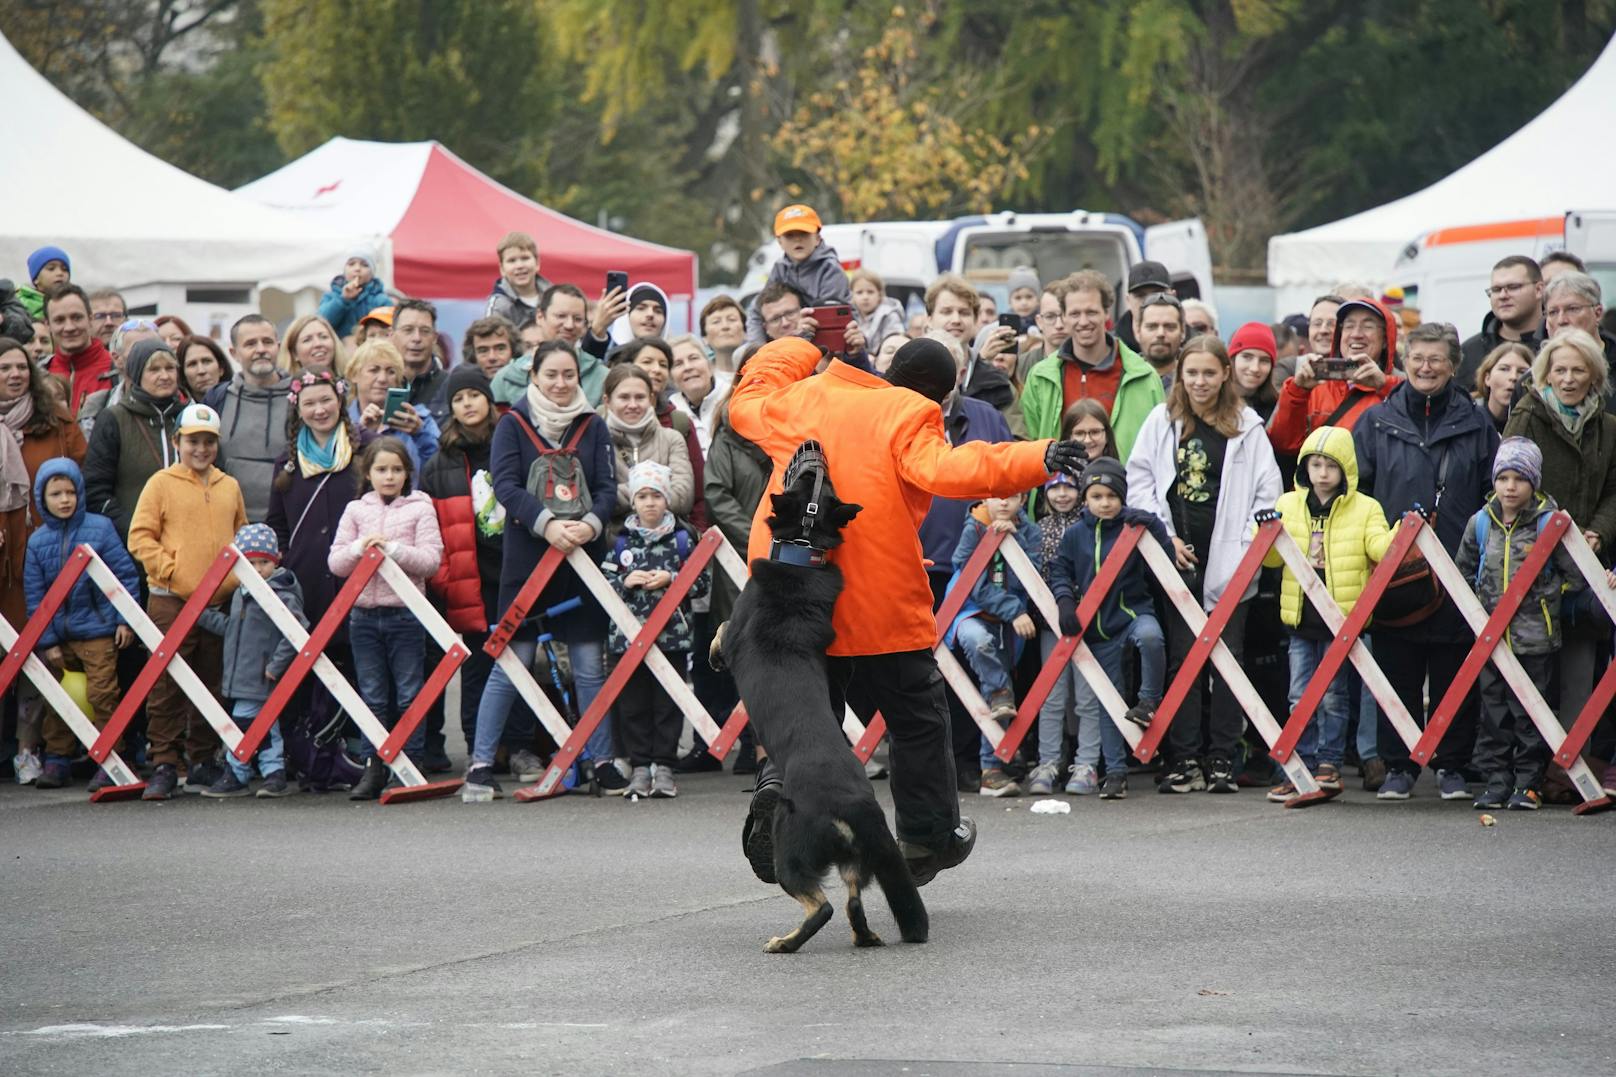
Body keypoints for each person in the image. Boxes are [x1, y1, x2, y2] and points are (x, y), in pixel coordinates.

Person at [729, 334, 1083, 885]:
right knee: (917, 721)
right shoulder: (911, 413)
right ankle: (926, 838)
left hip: (791, 591)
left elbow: (746, 400)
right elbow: (947, 472)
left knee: (805, 715)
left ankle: (779, 792)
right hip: (877, 600)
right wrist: (1035, 456)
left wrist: (801, 345)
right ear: (939, 395)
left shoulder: (803, 396)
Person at [1126, 335, 1283, 795]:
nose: (1199, 381)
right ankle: (1184, 756)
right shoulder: (1162, 420)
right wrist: (1164, 536)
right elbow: (1141, 481)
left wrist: (1245, 551)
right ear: (1180, 374)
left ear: (1225, 374)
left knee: (1228, 660)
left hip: (1230, 561)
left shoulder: (1247, 427)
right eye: (1191, 372)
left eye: (1209, 373)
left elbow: (1266, 496)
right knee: (1183, 661)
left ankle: (1222, 756)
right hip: (1178, 557)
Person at [1354, 322, 1500, 802]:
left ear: (1454, 366)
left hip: (1460, 568)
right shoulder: (1375, 422)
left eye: (1436, 358)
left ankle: (1452, 765)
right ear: (1403, 360)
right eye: (1417, 357)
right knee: (1396, 666)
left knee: (1454, 670)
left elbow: (1492, 494)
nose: (1426, 366)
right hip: (1396, 571)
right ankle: (1399, 765)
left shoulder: (1478, 424)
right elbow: (1360, 496)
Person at [466, 340, 617, 797]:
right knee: (513, 662)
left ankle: (603, 760)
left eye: (568, 374)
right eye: (550, 374)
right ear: (533, 376)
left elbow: (608, 488)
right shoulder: (511, 425)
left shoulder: (593, 426)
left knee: (591, 665)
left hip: (583, 560)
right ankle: (479, 763)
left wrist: (588, 527)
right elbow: (507, 486)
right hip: (528, 563)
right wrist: (548, 525)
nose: (560, 383)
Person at [1259, 426, 1393, 801]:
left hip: (1342, 621)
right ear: (1304, 467)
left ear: (1346, 470)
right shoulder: (1287, 504)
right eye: (1315, 464)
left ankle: (1328, 764)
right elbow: (1270, 559)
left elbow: (1380, 548)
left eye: (1330, 466)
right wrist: (1265, 531)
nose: (1322, 473)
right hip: (1301, 618)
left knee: (1334, 695)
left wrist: (1404, 531)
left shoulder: (1366, 508)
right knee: (1298, 694)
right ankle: (1299, 763)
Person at [420, 366, 540, 779]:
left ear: (488, 399)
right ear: (451, 407)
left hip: (514, 570)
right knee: (476, 667)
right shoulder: (439, 462)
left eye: (474, 395)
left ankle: (522, 746)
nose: (467, 403)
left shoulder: (511, 444)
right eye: (459, 398)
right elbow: (433, 523)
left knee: (519, 660)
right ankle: (480, 747)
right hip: (470, 578)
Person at [127, 402, 248, 800]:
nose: (201, 448)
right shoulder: (161, 482)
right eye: (193, 440)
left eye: (208, 441)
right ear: (177, 441)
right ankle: (163, 760)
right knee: (165, 683)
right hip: (171, 600)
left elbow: (241, 535)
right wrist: (172, 573)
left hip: (217, 603)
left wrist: (231, 583)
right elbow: (140, 536)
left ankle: (201, 759)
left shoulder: (229, 485)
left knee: (212, 680)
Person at [1501, 330, 1616, 743]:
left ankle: (1571, 766)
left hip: (1587, 563)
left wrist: (1599, 532)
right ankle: (1530, 768)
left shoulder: (1608, 427)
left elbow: (1615, 491)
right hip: (1534, 559)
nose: (1568, 379)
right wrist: (1548, 531)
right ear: (1545, 375)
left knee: (1579, 671)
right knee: (1530, 669)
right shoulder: (1527, 416)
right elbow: (1506, 483)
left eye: (1578, 370)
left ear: (1594, 376)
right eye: (1559, 370)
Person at [1458, 438, 1583, 812]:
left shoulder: (1550, 524)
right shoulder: (1480, 523)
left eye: (1520, 479)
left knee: (1531, 713)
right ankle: (1497, 782)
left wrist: (1547, 599)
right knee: (1493, 714)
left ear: (1534, 482)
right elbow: (1462, 571)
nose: (1510, 487)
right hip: (1492, 642)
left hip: (1536, 639)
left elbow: (1574, 576)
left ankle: (1528, 783)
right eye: (1504, 478)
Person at [328, 437, 444, 800]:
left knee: (410, 694)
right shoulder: (355, 511)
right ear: (368, 473)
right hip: (363, 616)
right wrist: (358, 548)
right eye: (381, 470)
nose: (389, 476)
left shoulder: (421, 509)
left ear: (408, 473)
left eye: (396, 469)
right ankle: (373, 767)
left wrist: (392, 550)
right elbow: (335, 563)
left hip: (406, 615)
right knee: (373, 696)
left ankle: (412, 764)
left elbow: (431, 560)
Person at [1049, 456, 1170, 800]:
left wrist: (1155, 527)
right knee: (1109, 702)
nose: (1105, 503)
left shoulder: (1133, 527)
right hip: (1097, 631)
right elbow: (1060, 570)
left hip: (1133, 613)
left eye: (1112, 496)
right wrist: (1065, 603)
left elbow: (1163, 561)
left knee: (1151, 637)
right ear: (1085, 499)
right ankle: (1115, 773)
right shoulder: (1074, 535)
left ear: (1123, 497)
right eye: (1097, 496)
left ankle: (1148, 702)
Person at [23, 457, 140, 791]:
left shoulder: (100, 528)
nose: (64, 500)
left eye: (70, 492)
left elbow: (125, 576)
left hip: (100, 631)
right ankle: (58, 758)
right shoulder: (37, 542)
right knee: (57, 698)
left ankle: (111, 757)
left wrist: (123, 620)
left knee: (103, 694)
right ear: (42, 499)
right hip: (58, 636)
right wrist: (46, 642)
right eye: (55, 494)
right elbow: (36, 596)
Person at [602, 460, 709, 799]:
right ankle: (639, 766)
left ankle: (663, 765)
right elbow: (603, 585)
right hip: (627, 639)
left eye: (656, 496)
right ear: (633, 501)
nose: (650, 503)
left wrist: (673, 580)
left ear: (667, 500)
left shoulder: (682, 540)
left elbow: (703, 582)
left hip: (671, 639)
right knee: (633, 704)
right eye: (643, 496)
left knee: (667, 702)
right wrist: (624, 581)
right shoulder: (620, 543)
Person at [196, 523, 307, 799]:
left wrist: (275, 666)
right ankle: (273, 773)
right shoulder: (240, 595)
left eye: (263, 563)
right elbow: (234, 628)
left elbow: (296, 630)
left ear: (276, 561)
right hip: (242, 675)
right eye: (250, 563)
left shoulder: (280, 594)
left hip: (260, 674)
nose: (257, 570)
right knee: (265, 726)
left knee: (243, 724)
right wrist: (201, 615)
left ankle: (238, 772)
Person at [945, 491, 1042, 797]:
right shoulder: (974, 526)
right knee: (981, 644)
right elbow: (967, 575)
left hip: (1010, 621)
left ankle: (992, 770)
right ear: (984, 500)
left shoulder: (1030, 531)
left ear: (1023, 499)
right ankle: (1000, 691)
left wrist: (1017, 542)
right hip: (969, 612)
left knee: (1000, 701)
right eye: (996, 496)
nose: (1003, 503)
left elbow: (1035, 574)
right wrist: (1013, 610)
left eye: (1011, 496)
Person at [1022, 269, 1165, 462]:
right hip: (1059, 490)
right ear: (1063, 316)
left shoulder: (1144, 377)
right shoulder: (1040, 377)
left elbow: (1160, 449)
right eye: (1074, 313)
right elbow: (1028, 447)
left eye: (1091, 312)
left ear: (1106, 313)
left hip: (1125, 489)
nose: (1083, 321)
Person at [0, 337, 88, 635]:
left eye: (22, 367)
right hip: (3, 548)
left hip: (46, 545)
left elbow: (81, 473)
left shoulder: (56, 420)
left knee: (41, 641)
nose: (15, 374)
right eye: (5, 367)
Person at [1268, 297, 1403, 455]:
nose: (1356, 334)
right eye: (1349, 326)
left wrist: (1385, 385)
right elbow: (1283, 444)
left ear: (1386, 339)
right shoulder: (1316, 385)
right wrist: (1298, 391)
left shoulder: (1401, 388)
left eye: (1368, 326)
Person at [82, 339, 186, 538]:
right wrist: (135, 529)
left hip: (185, 541)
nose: (164, 376)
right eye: (154, 369)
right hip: (132, 543)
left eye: (170, 368)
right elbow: (95, 491)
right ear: (138, 374)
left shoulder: (189, 416)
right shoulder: (114, 419)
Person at [211, 314, 291, 523]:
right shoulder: (217, 398)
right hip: (229, 522)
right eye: (250, 344)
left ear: (278, 346)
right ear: (234, 353)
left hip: (286, 525)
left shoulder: (300, 398)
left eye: (267, 342)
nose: (261, 349)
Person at [602, 364, 695, 533]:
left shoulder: (671, 438)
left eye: (640, 397)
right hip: (614, 542)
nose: (633, 404)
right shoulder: (599, 442)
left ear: (651, 399)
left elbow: (683, 497)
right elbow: (600, 499)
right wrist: (658, 490)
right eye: (624, 397)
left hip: (670, 541)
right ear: (607, 401)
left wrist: (623, 492)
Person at [744, 204, 854, 344]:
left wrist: (798, 342)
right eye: (790, 235)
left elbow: (828, 321)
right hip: (796, 341)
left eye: (804, 233)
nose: (797, 240)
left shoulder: (830, 270)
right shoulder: (780, 268)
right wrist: (758, 350)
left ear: (817, 238)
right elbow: (757, 310)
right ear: (780, 242)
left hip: (831, 344)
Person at [492, 285, 606, 406]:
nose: (569, 325)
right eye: (561, 316)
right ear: (540, 316)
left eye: (577, 319)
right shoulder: (507, 378)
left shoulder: (601, 377)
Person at [925, 274, 1014, 412]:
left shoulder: (998, 384)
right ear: (929, 319)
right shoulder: (910, 377)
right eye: (946, 312)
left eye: (964, 312)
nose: (956, 319)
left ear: (975, 320)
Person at [1457, 256, 1547, 390]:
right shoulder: (1469, 352)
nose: (1503, 295)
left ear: (1539, 290)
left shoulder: (1558, 344)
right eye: (1496, 289)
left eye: (1513, 287)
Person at [345, 339, 438, 469]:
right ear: (354, 375)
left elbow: (441, 469)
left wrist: (419, 434)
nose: (383, 379)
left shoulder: (420, 420)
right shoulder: (342, 423)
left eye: (391, 372)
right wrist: (360, 433)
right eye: (374, 370)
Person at [77, 318, 158, 438]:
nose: (150, 356)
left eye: (156, 349)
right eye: (138, 349)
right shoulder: (97, 406)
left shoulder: (183, 403)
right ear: (117, 359)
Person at [44, 284, 113, 417]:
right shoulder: (39, 374)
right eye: (59, 320)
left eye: (76, 317)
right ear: (48, 325)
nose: (69, 327)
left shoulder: (117, 370)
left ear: (90, 319)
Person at [668, 334, 730, 455]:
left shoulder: (734, 397)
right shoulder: (670, 412)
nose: (688, 367)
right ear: (671, 378)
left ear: (709, 364)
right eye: (678, 364)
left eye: (694, 358)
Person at [390, 298, 448, 421]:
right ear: (391, 336)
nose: (416, 338)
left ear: (435, 338)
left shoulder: (450, 386)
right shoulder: (379, 384)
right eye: (408, 330)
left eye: (425, 331)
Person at [317, 250, 391, 339]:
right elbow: (321, 323)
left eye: (364, 265)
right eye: (351, 264)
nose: (357, 269)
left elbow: (389, 330)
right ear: (344, 271)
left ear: (372, 273)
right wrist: (343, 299)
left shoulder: (381, 300)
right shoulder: (330, 296)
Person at [484, 232, 550, 328]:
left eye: (525, 258)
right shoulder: (499, 306)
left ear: (537, 263)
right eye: (512, 261)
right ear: (502, 269)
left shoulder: (554, 297)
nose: (519, 266)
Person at [1473, 342, 1533, 434]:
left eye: (1522, 372)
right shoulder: (1468, 418)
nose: (1513, 377)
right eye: (1504, 369)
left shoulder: (1537, 423)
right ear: (1487, 378)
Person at [1117, 260, 1172, 353]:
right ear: (1128, 301)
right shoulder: (1111, 348)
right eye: (1140, 296)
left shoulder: (1193, 342)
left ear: (1173, 296)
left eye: (1157, 294)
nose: (1149, 302)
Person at [1228, 322, 1279, 422]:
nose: (1255, 368)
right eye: (1247, 357)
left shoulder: (1276, 408)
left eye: (1264, 360)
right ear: (1232, 360)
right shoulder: (1214, 401)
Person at [849, 268, 906, 355]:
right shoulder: (850, 317)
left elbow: (895, 345)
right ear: (852, 295)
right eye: (859, 292)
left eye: (870, 292)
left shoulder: (890, 315)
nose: (865, 297)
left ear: (880, 294)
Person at [1136, 293, 1188, 387]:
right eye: (1152, 327)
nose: (1160, 334)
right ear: (1138, 332)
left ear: (1183, 332)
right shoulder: (1121, 377)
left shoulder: (1195, 381)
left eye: (1169, 327)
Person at [281, 314, 345, 378]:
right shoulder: (286, 387)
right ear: (294, 353)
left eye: (323, 337)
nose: (318, 344)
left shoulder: (351, 383)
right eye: (307, 340)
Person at [20, 246, 71, 320]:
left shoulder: (76, 302)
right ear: (36, 279)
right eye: (51, 269)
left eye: (65, 269)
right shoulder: (22, 305)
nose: (60, 273)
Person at [178, 335, 233, 401]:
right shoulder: (178, 410)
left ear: (221, 368)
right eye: (192, 364)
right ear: (183, 374)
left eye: (207, 361)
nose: (201, 371)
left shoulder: (240, 404)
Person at [700, 295, 747, 373]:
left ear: (745, 331)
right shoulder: (701, 378)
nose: (725, 326)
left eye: (732, 319)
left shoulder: (760, 370)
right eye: (716, 322)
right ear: (704, 337)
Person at [462, 315, 517, 381]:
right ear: (473, 357)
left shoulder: (530, 388)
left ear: (514, 352)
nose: (492, 357)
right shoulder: (462, 389)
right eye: (483, 351)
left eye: (500, 349)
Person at [1006, 266, 1041, 334]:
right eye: (1018, 298)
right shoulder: (1004, 326)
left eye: (1029, 297)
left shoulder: (1044, 323)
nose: (1024, 303)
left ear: (1038, 299)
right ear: (1009, 301)